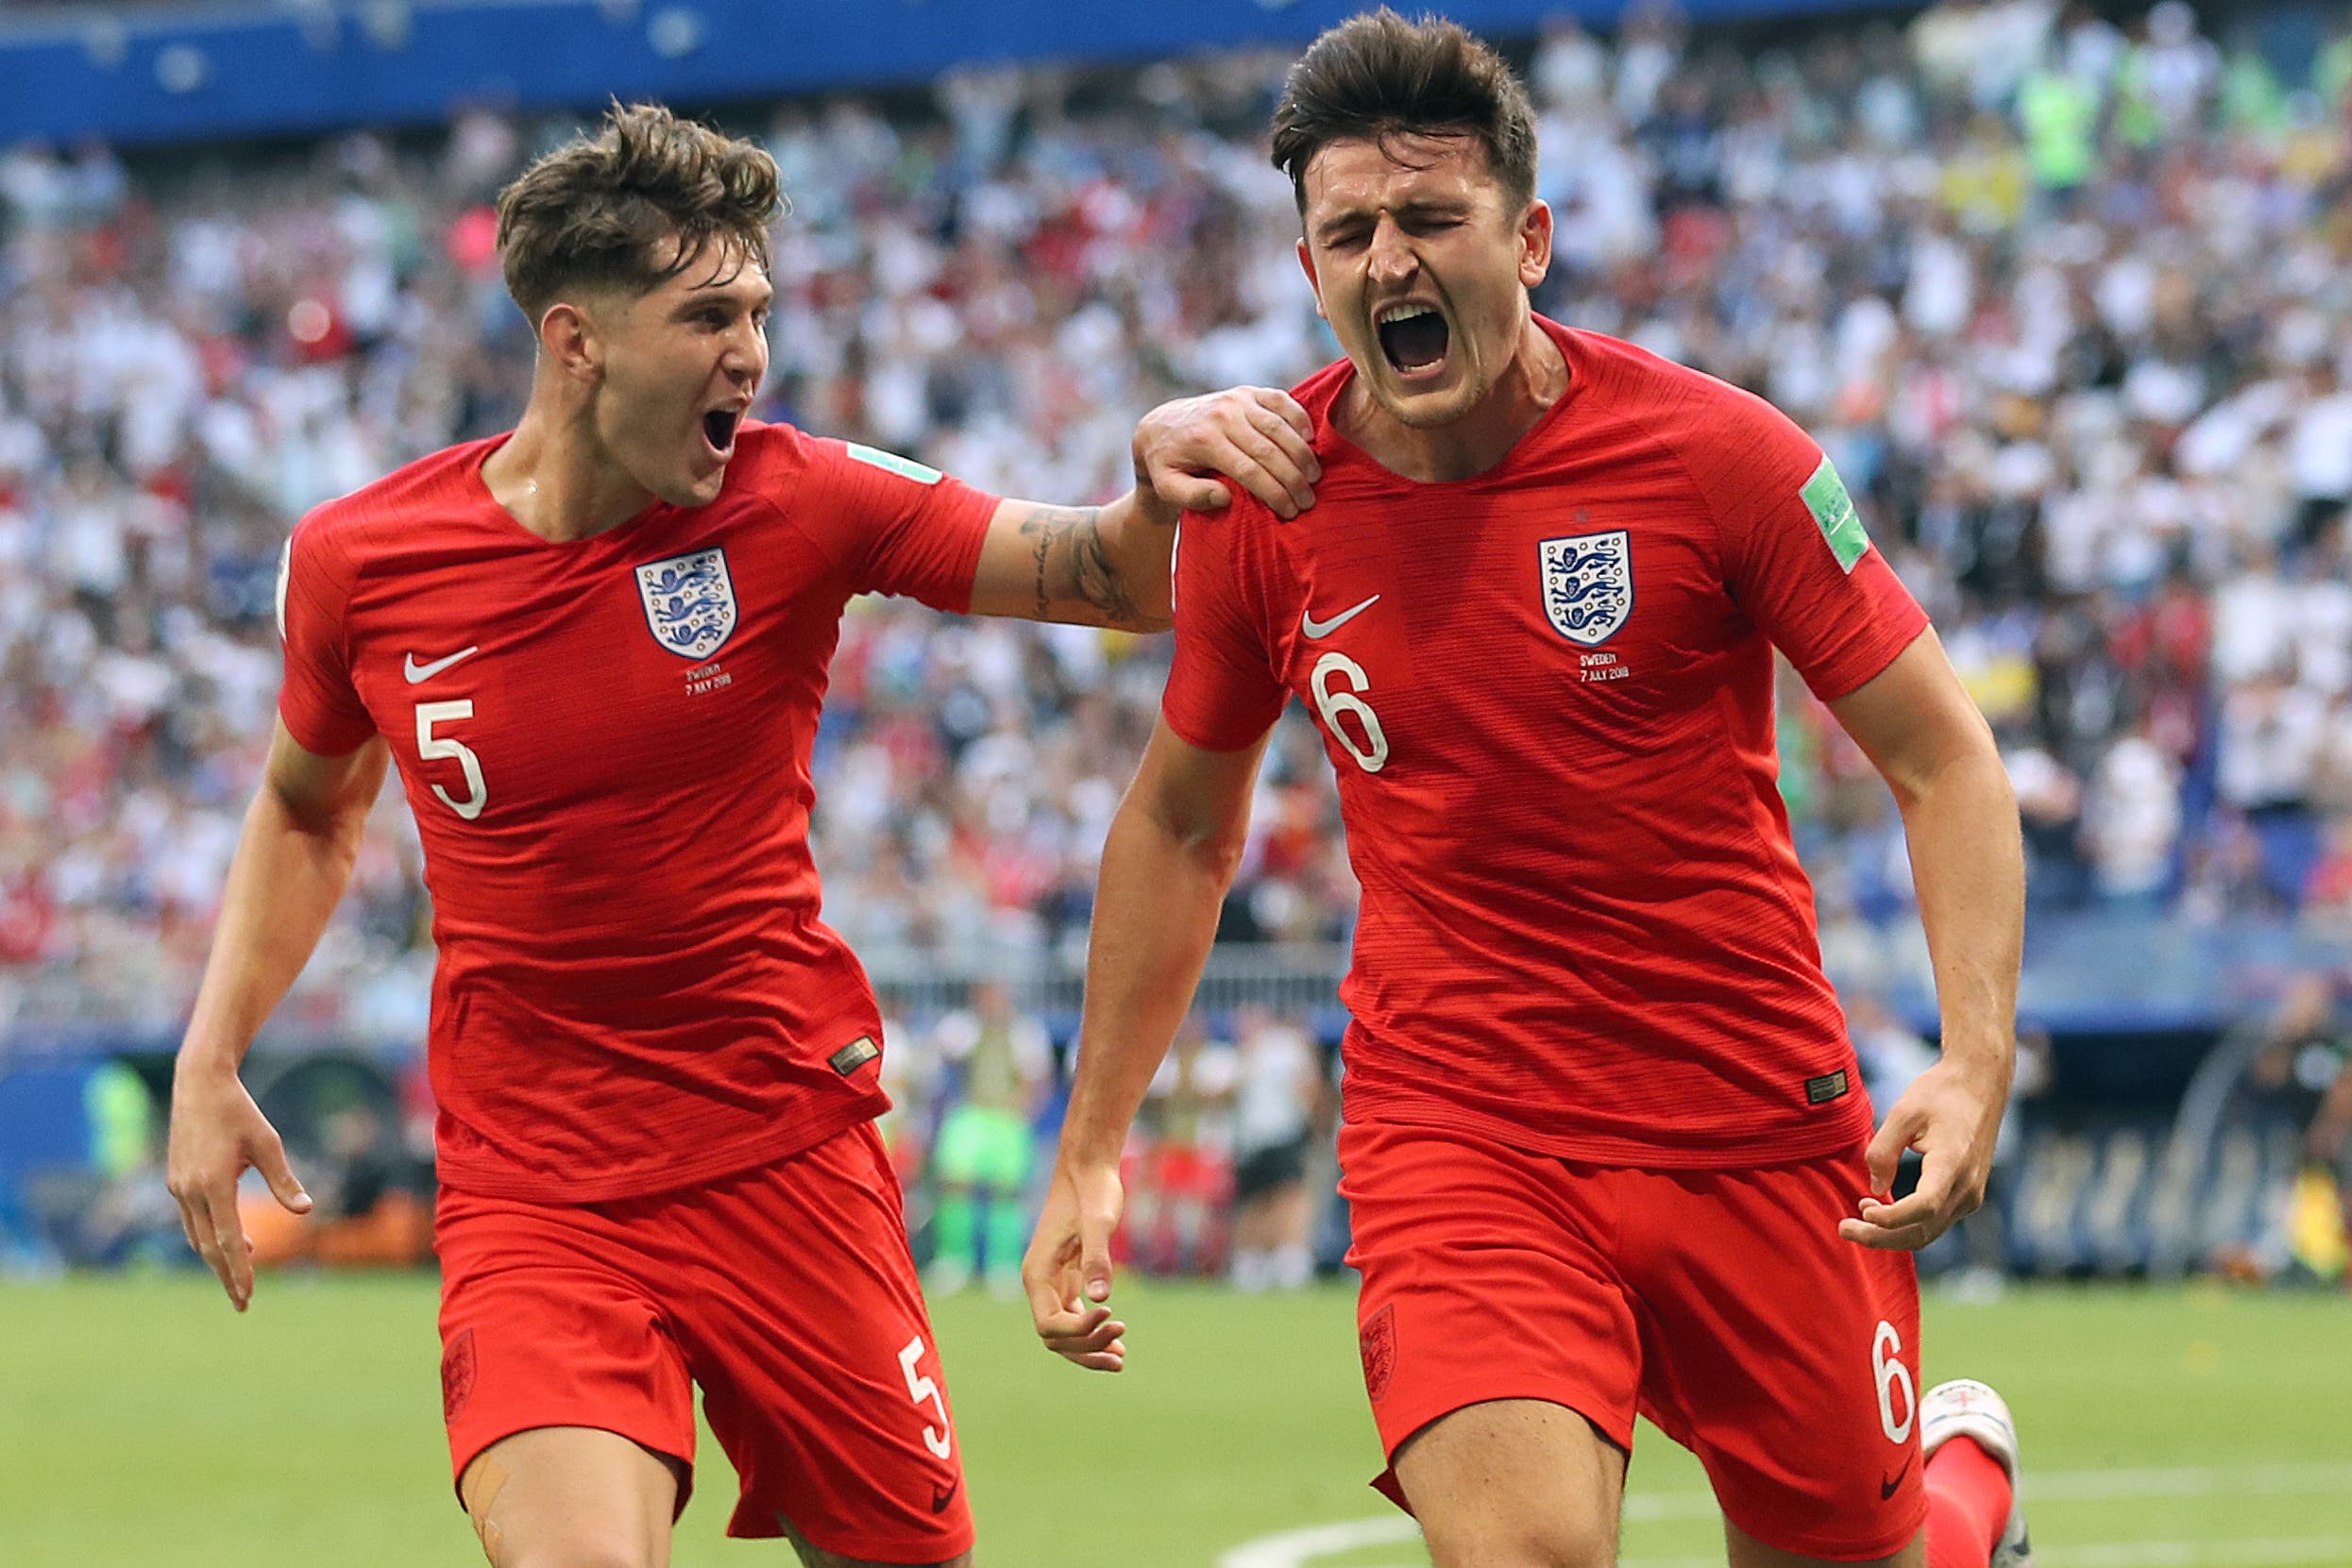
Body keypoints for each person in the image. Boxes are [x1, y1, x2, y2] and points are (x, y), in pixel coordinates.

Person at [162, 103, 1319, 1568]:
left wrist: (1156, 487)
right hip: (540, 1187)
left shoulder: (800, 496)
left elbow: (1105, 574)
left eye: (759, 310)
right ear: (576, 340)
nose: (751, 352)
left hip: (783, 1149)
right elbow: (306, 802)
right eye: (710, 314)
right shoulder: (361, 561)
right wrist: (209, 1057)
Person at [1024, 16, 2032, 1568]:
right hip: (1463, 1123)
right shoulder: (1263, 508)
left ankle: (1963, 1486)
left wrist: (1972, 1060)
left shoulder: (1719, 457)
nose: (1389, 261)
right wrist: (1090, 1142)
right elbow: (1177, 822)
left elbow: (1943, 753)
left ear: (1531, 237)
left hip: (1747, 1110)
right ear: (1310, 269)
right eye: (1348, 231)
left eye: (1430, 219)